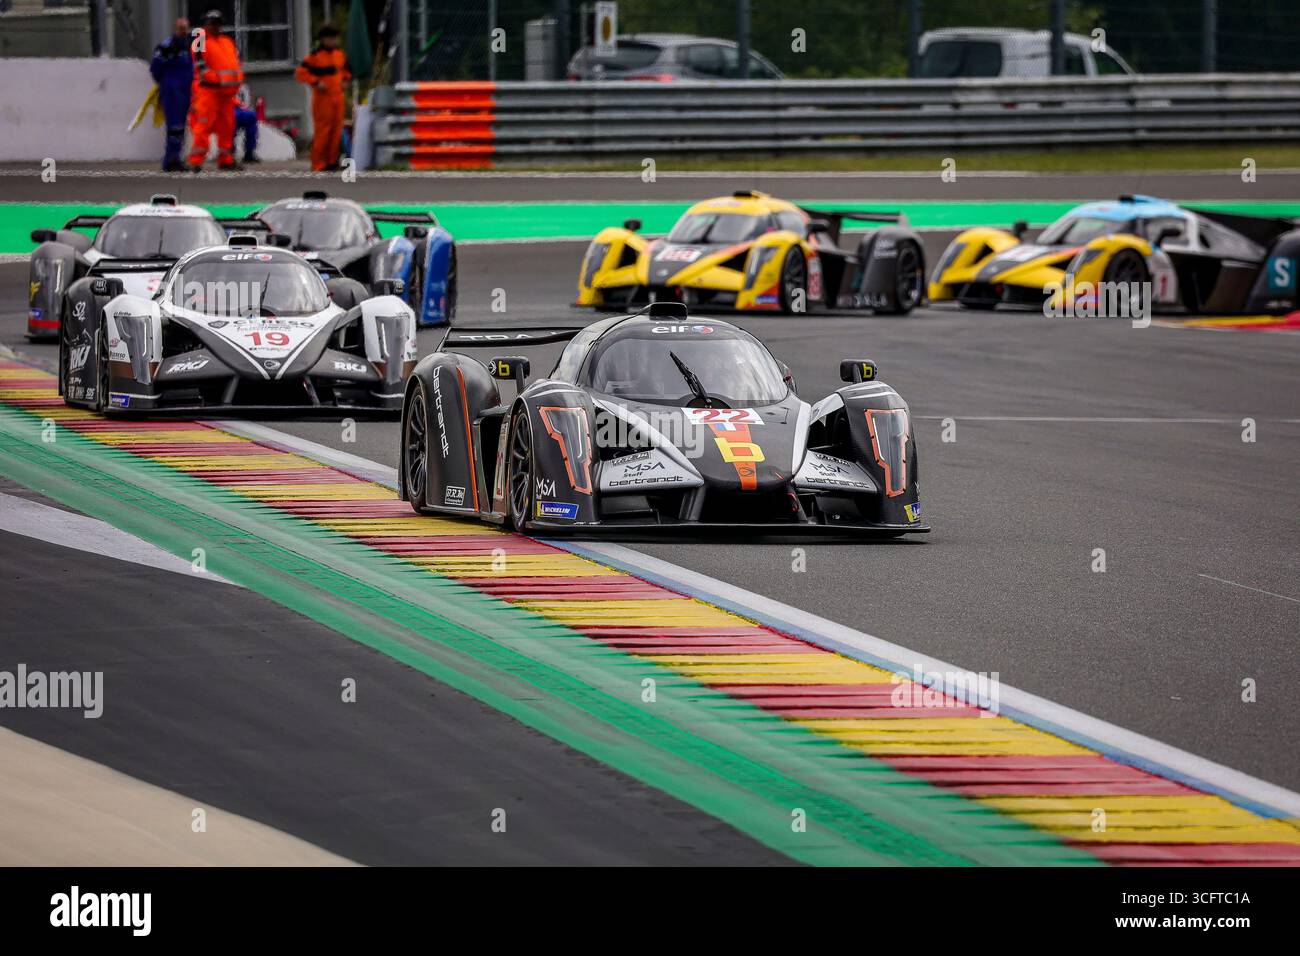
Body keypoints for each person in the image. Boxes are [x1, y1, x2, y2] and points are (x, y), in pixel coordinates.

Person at [186, 9, 244, 171]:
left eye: (218, 24)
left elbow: (235, 63)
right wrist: (220, 80)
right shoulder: (200, 41)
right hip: (208, 92)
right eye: (212, 23)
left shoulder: (227, 42)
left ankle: (225, 159)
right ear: (206, 24)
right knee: (203, 125)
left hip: (227, 94)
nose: (216, 27)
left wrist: (235, 81)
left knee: (227, 126)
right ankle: (196, 160)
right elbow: (201, 68)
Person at [295, 25, 351, 171]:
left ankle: (332, 161)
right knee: (323, 131)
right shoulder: (315, 56)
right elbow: (301, 73)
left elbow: (346, 70)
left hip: (337, 96)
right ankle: (319, 163)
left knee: (336, 130)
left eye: (335, 38)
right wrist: (315, 82)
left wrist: (345, 80)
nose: (333, 41)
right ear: (323, 39)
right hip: (323, 98)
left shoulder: (340, 54)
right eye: (331, 38)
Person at [149, 17, 192, 172]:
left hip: (185, 92)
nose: (183, 31)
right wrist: (168, 85)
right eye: (180, 28)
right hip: (172, 91)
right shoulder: (166, 47)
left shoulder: (189, 47)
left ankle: (176, 158)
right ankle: (171, 159)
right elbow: (155, 69)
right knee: (174, 127)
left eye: (185, 28)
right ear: (175, 29)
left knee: (180, 128)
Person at [234, 84, 260, 164]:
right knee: (230, 121)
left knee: (251, 117)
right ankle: (228, 154)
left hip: (239, 110)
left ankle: (249, 152)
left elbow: (246, 104)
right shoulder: (220, 86)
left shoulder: (243, 87)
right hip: (226, 112)